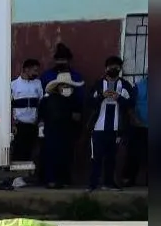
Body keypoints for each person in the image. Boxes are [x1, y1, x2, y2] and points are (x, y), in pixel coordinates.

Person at [87, 56, 135, 191]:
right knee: (96, 157)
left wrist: (118, 98)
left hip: (116, 128)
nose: (114, 69)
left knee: (111, 157)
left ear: (120, 69)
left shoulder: (125, 85)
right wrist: (102, 96)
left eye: (117, 67)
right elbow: (89, 102)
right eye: (111, 66)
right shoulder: (98, 84)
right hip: (98, 127)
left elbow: (131, 103)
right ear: (106, 68)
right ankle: (93, 184)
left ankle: (108, 183)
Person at [38, 43, 84, 185]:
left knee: (66, 153)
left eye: (64, 59)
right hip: (52, 129)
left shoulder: (73, 92)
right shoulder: (48, 97)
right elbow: (43, 111)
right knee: (51, 153)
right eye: (59, 59)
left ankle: (63, 179)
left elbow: (79, 105)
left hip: (67, 129)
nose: (61, 62)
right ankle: (50, 179)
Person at [10, 58, 43, 163]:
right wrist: (12, 124)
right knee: (18, 152)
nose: (36, 73)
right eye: (34, 70)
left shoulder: (38, 84)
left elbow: (41, 103)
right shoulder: (13, 85)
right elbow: (8, 106)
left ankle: (25, 177)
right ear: (26, 70)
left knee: (30, 153)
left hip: (33, 125)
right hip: (19, 126)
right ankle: (16, 177)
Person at [121, 74, 148, 187]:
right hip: (139, 126)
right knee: (133, 154)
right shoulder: (139, 86)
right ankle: (128, 178)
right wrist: (134, 119)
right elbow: (130, 105)